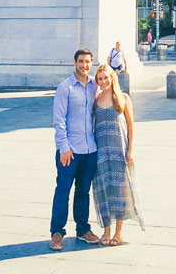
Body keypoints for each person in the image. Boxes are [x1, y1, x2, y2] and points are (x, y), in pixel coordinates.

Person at [50, 48, 100, 252]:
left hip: (90, 150)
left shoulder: (93, 86)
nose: (84, 65)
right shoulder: (65, 87)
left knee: (83, 192)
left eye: (88, 62)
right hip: (69, 151)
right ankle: (57, 232)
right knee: (62, 191)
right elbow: (58, 120)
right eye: (81, 61)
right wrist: (63, 147)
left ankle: (83, 229)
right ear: (75, 63)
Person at [93, 63, 144, 246]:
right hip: (101, 152)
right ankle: (106, 230)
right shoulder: (96, 99)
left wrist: (130, 150)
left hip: (119, 151)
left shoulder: (123, 98)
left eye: (106, 77)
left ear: (112, 78)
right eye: (100, 78)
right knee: (104, 190)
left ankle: (118, 232)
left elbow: (130, 125)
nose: (103, 81)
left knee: (120, 191)